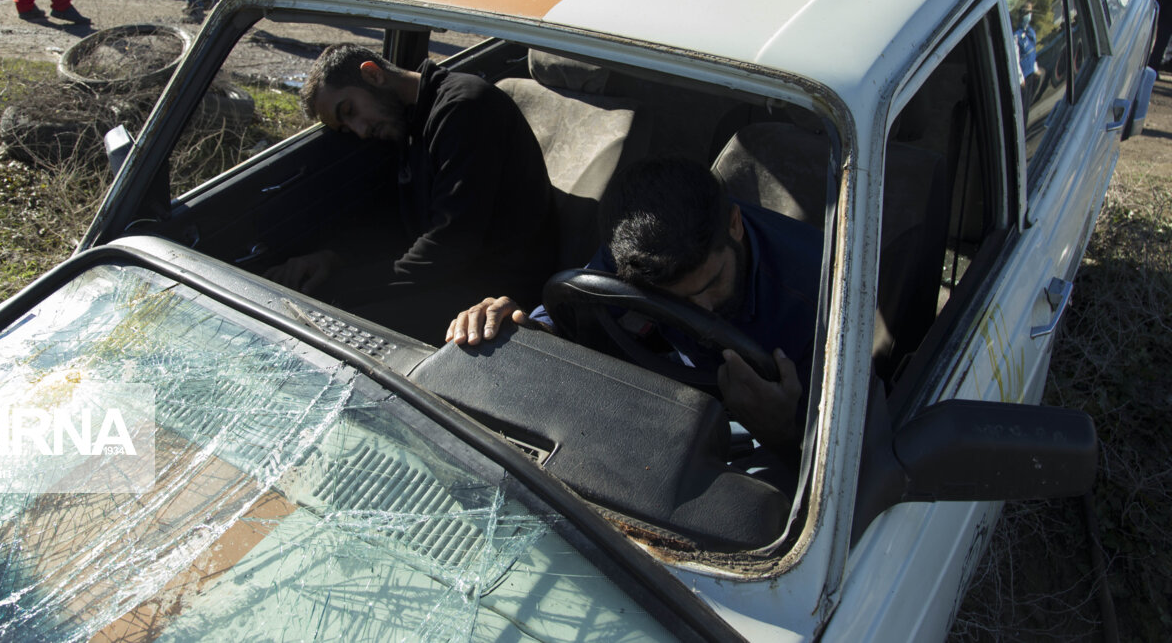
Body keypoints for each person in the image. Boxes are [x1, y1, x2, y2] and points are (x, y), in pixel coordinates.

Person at [446, 156, 822, 457]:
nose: (703, 311)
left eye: (712, 283)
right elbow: (583, 303)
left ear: (735, 225)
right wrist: (522, 327)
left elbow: (835, 459)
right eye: (678, 300)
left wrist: (781, 432)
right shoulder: (642, 245)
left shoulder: (824, 297)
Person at [264, 43, 557, 344]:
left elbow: (451, 243)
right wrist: (334, 258)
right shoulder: (408, 123)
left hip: (497, 294)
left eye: (350, 111)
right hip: (455, 276)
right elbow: (399, 223)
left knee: (336, 324)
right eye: (346, 127)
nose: (360, 131)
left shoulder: (465, 107)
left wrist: (342, 287)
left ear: (373, 75)